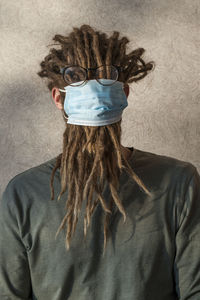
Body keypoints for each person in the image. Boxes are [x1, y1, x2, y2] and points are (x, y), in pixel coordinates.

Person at [0, 24, 199, 300]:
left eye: (105, 78)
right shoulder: (22, 195)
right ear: (59, 97)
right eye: (77, 77)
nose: (92, 89)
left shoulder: (180, 183)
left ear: (124, 94)